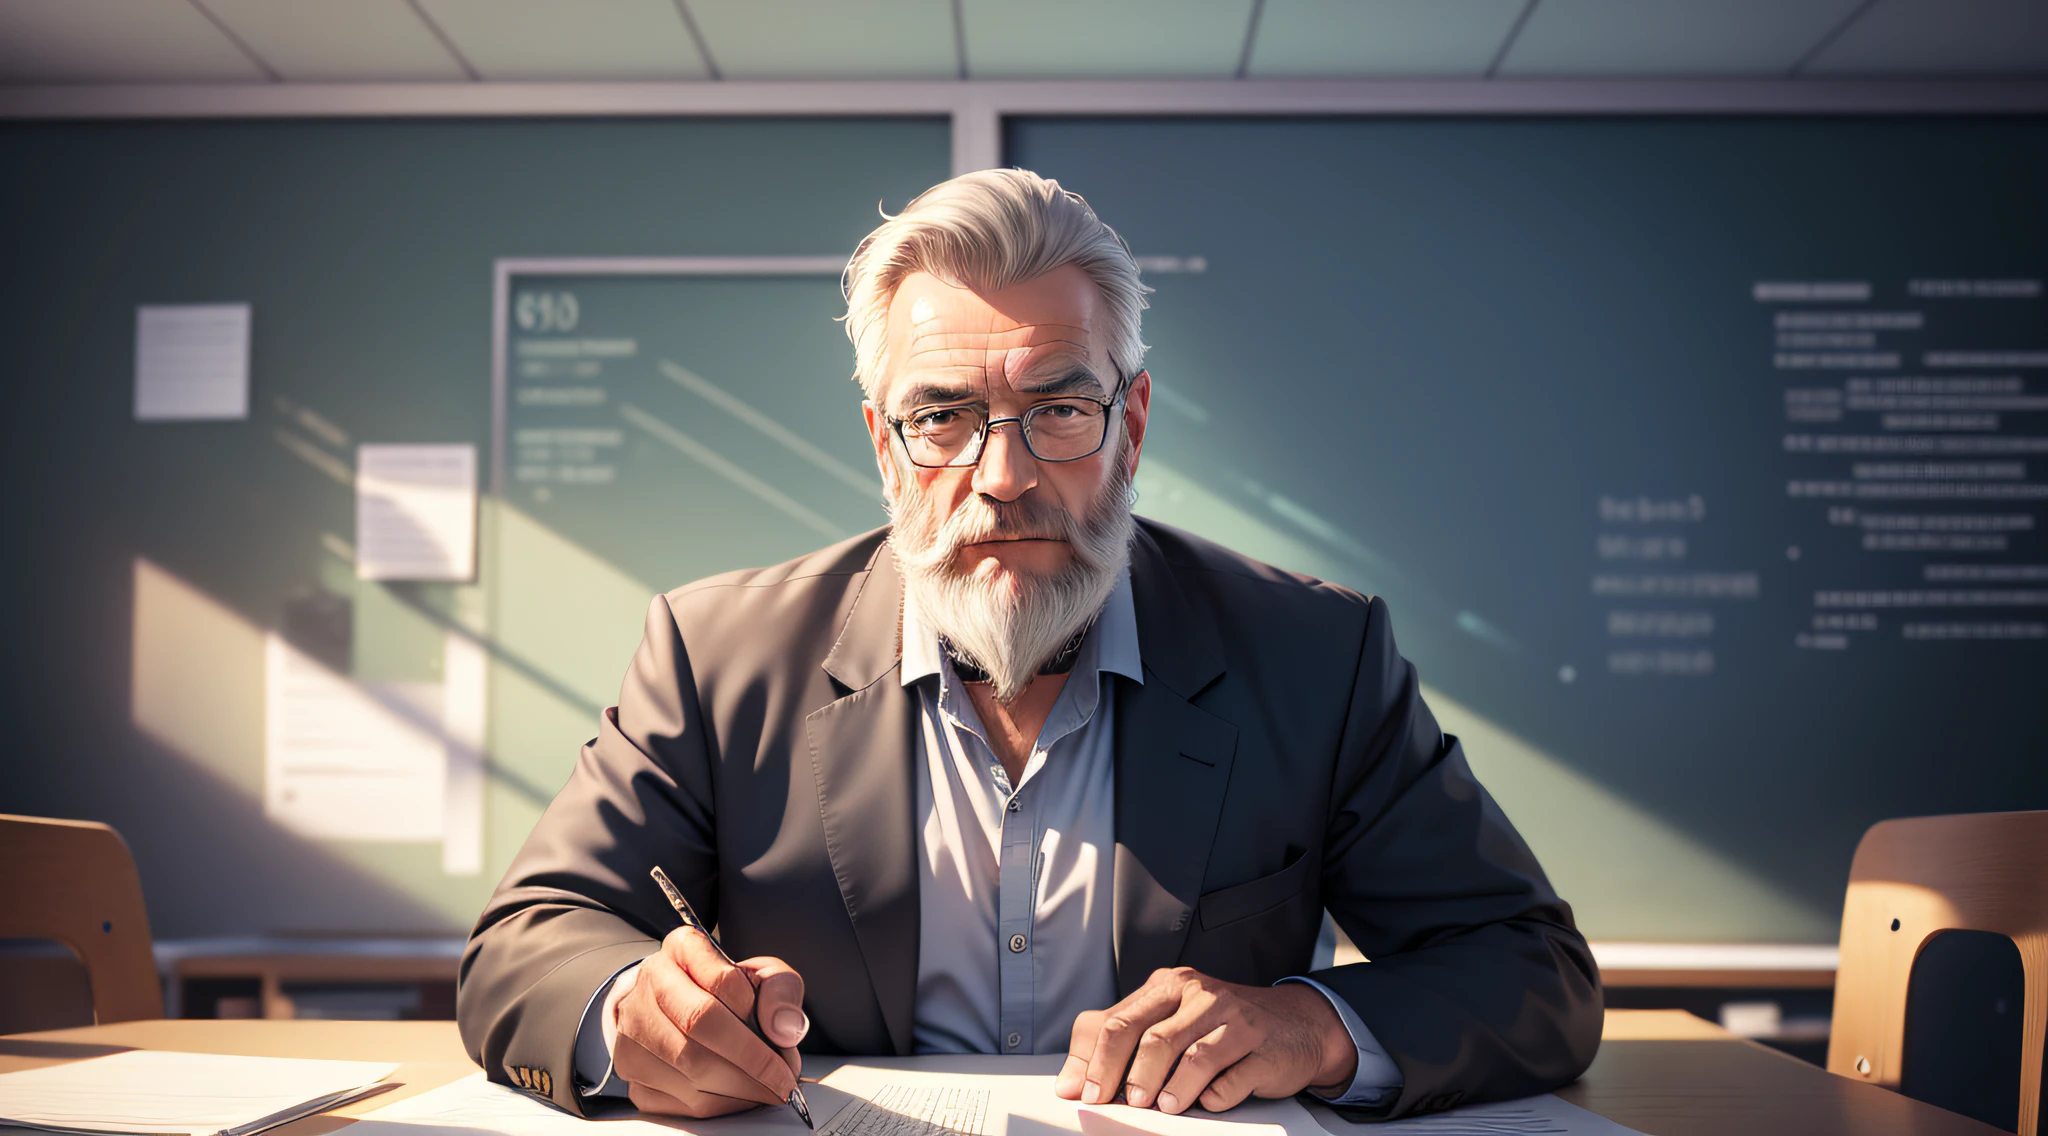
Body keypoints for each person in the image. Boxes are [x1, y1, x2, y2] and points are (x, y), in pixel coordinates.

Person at [456, 169, 1601, 1123]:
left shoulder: (1314, 654)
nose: (1001, 479)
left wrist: (1307, 1023)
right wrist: (629, 1012)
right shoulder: (716, 655)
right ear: (883, 444)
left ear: (1132, 425)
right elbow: (523, 942)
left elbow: (1529, 971)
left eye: (1058, 410)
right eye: (942, 417)